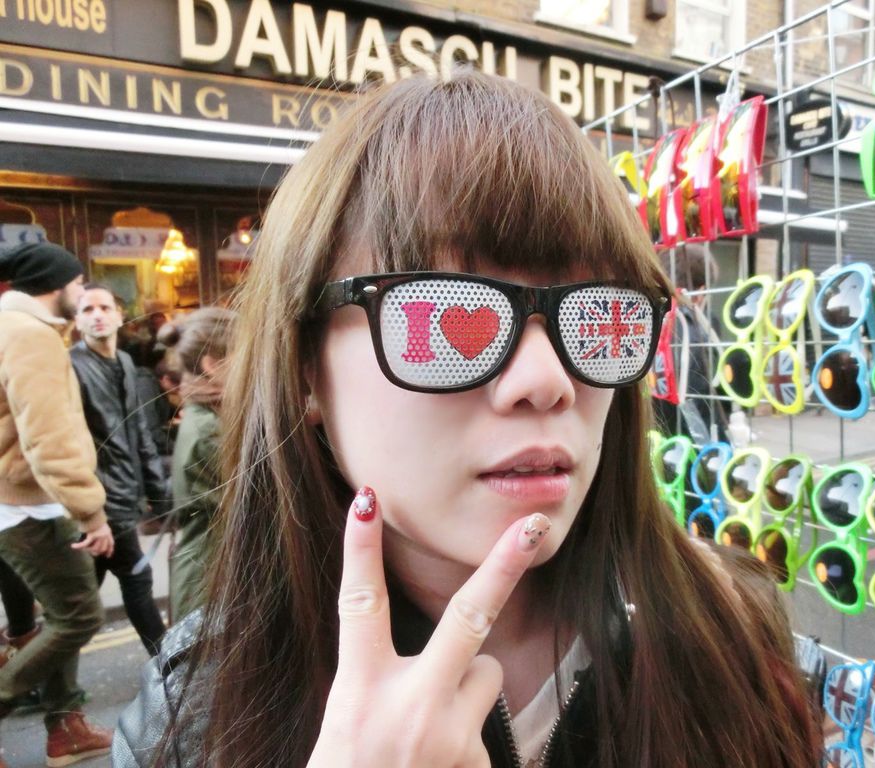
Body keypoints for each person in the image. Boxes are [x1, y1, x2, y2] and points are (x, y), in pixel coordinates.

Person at [113, 71, 820, 768]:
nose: (547, 382)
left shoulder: (730, 630)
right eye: (446, 318)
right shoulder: (199, 712)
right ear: (306, 369)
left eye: (598, 314)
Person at [0, 242, 114, 766]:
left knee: (63, 611)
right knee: (79, 616)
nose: (82, 290)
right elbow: (48, 437)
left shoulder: (16, 328)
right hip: (29, 505)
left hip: (27, 500)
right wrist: (91, 511)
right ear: (55, 284)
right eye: (77, 282)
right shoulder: (29, 335)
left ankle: (66, 727)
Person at [71, 284, 170, 657]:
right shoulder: (70, 366)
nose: (97, 315)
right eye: (87, 309)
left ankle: (50, 681)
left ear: (119, 315)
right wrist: (99, 509)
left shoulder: (126, 362)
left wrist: (159, 495)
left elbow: (139, 432)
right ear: (76, 320)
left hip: (125, 497)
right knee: (134, 580)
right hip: (98, 500)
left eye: (104, 307)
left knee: (79, 602)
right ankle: (166, 664)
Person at [160, 309, 234, 623]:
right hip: (210, 588)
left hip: (211, 581)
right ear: (212, 365)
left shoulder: (206, 415)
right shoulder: (209, 430)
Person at [651, 244, 726, 444]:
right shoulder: (699, 327)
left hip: (654, 441)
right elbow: (702, 400)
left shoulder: (646, 319)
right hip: (691, 445)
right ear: (701, 291)